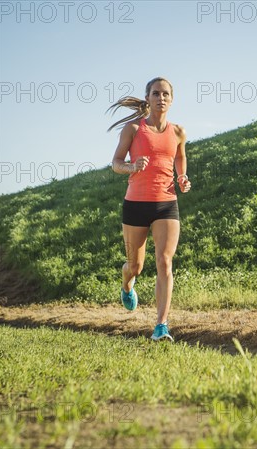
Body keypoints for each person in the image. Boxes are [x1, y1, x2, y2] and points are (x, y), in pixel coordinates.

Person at [108, 77, 191, 341]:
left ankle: (161, 325)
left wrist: (182, 177)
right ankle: (126, 283)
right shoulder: (133, 129)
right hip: (135, 205)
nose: (161, 98)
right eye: (156, 93)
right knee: (135, 266)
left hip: (167, 203)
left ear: (172, 99)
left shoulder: (178, 132)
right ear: (148, 98)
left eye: (166, 94)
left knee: (165, 262)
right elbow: (116, 162)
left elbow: (180, 157)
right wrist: (132, 167)